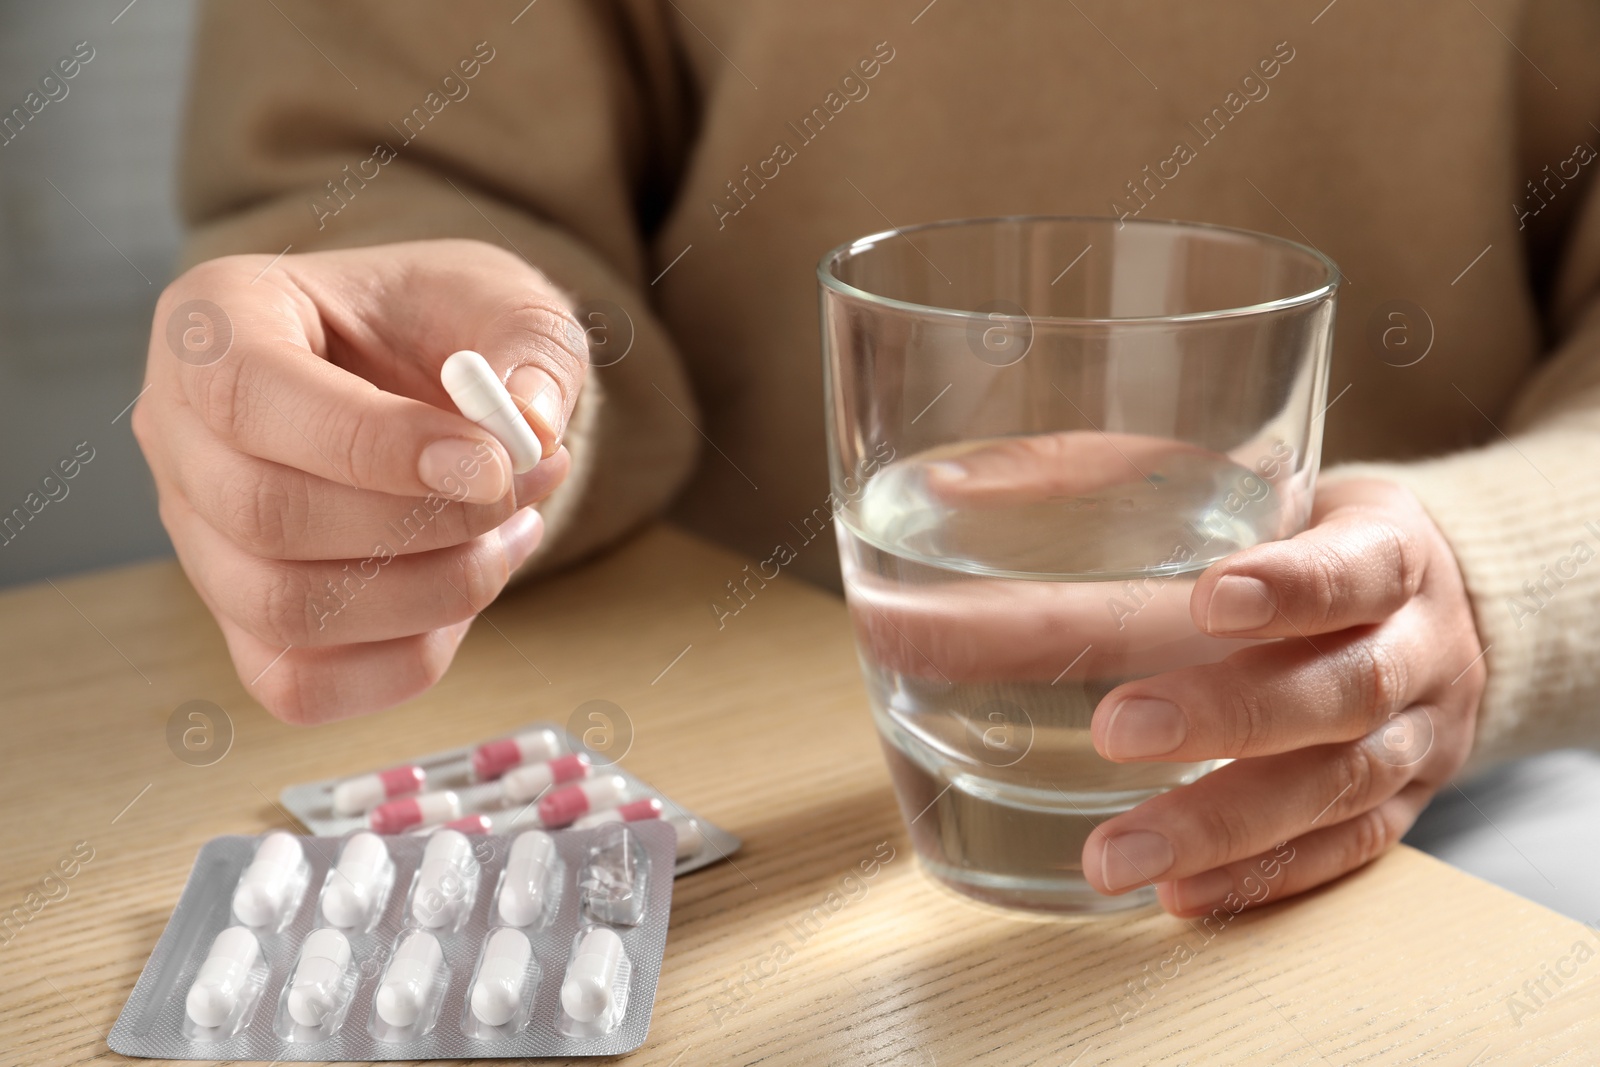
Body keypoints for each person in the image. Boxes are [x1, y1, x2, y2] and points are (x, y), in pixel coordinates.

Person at [133, 1, 1600, 917]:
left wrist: (1482, 585)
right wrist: (429, 413)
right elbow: (393, 162)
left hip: (1473, 772)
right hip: (701, 736)